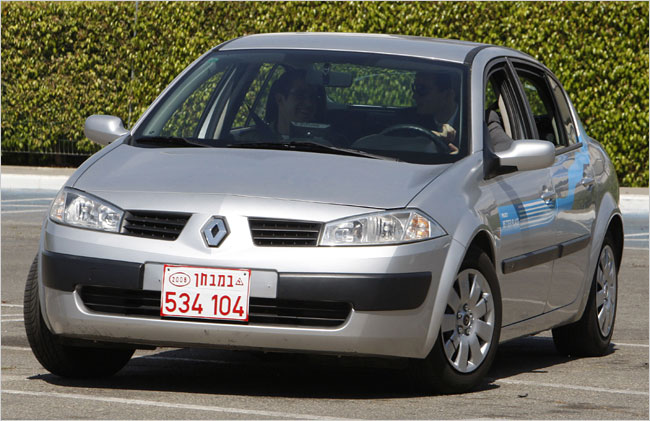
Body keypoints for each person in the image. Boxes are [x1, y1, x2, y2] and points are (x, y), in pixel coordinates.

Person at [399, 70, 460, 153]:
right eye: (415, 88)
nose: (414, 96)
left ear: (447, 95)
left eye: (422, 90)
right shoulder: (409, 120)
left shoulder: (472, 125)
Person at [264, 69, 326, 137]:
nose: (309, 103)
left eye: (313, 96)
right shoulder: (254, 141)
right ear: (280, 99)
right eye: (300, 95)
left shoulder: (327, 144)